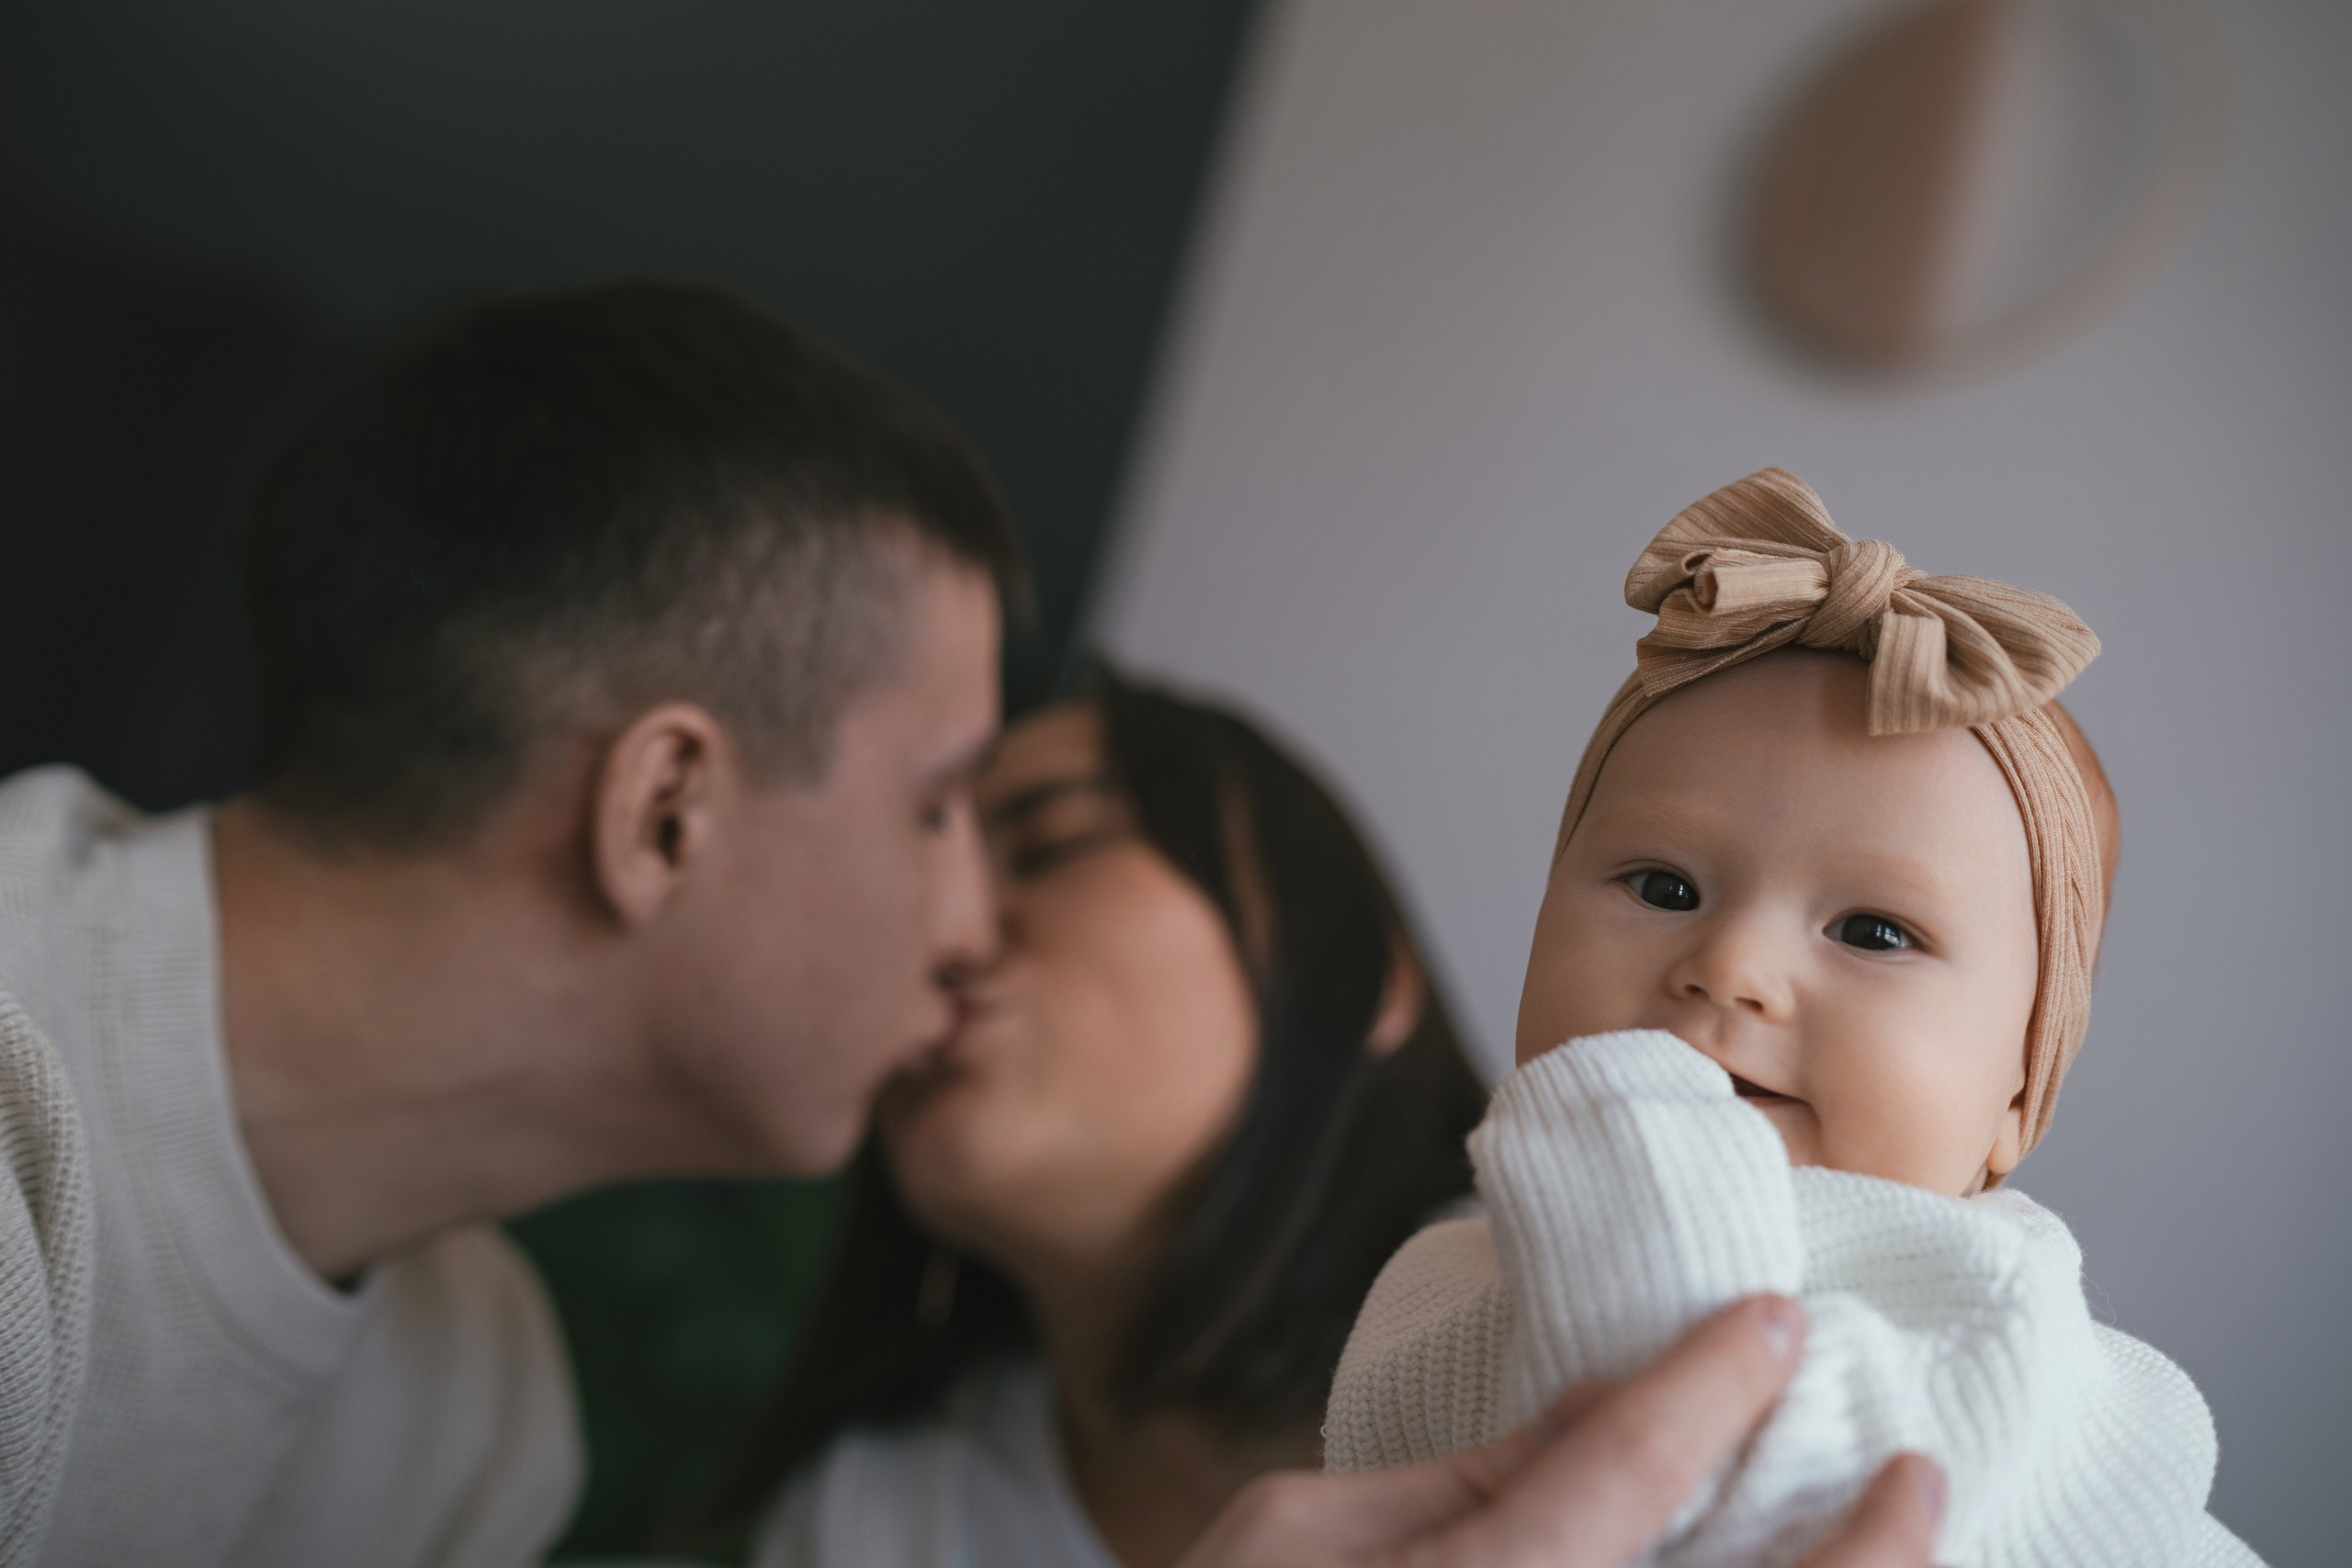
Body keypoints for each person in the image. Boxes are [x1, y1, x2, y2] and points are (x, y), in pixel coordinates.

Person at [0, 284, 1940, 1568]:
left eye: (1039, 834)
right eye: (942, 808)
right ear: (664, 805)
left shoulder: (469, 1404)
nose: (960, 929)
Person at [1324, 470, 2259, 1563]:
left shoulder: (1980, 1303)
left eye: (1871, 932)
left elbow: (1717, 1481)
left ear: (2015, 1099)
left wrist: (1638, 1170)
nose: (1729, 969)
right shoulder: (1444, 1274)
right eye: (1663, 889)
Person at [706, 668, 1487, 1567]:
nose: (944, 934)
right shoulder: (873, 1515)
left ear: (1356, 980)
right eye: (911, 891)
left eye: (1053, 845)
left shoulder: (1573, 1323)